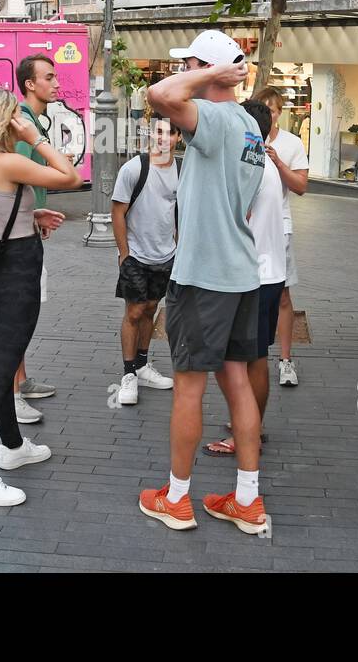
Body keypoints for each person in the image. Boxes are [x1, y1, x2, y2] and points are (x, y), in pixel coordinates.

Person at [137, 29, 270, 535]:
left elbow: (160, 96)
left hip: (205, 276)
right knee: (236, 379)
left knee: (188, 387)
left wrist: (210, 74)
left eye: (189, 64)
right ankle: (247, 500)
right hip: (238, 273)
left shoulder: (214, 116)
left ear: (208, 69)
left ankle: (176, 498)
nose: (182, 73)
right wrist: (213, 72)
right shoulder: (247, 126)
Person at [0, 87, 77, 507]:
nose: (22, 120)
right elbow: (71, 177)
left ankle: (12, 446)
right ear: (7, 120)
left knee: (4, 362)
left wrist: (30, 214)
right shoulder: (8, 159)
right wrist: (36, 138)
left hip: (1, 268)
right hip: (17, 272)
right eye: (16, 116)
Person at [203, 100, 286, 457]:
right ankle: (253, 424)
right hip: (269, 272)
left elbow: (238, 215)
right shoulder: (264, 163)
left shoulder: (248, 167)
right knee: (256, 357)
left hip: (250, 276)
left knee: (246, 359)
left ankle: (246, 434)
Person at [111, 114, 180, 406]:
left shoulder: (183, 169)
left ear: (178, 138)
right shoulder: (134, 169)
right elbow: (117, 212)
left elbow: (178, 211)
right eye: (158, 132)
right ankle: (128, 375)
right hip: (137, 254)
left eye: (169, 133)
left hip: (166, 254)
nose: (162, 138)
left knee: (151, 308)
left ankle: (141, 366)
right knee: (135, 312)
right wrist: (124, 254)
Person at [12, 54, 62, 419]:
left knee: (25, 310)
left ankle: (21, 380)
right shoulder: (22, 123)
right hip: (17, 237)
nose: (56, 83)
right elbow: (18, 176)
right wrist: (29, 218)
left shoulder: (31, 120)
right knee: (18, 313)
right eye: (49, 77)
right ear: (31, 84)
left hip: (27, 227)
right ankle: (12, 394)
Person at [253, 87, 311, 387]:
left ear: (279, 113)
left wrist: (278, 163)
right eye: (263, 109)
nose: (268, 115)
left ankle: (286, 360)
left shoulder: (291, 143)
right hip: (247, 230)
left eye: (273, 110)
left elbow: (301, 186)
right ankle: (251, 355)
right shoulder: (245, 141)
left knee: (283, 294)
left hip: (280, 227)